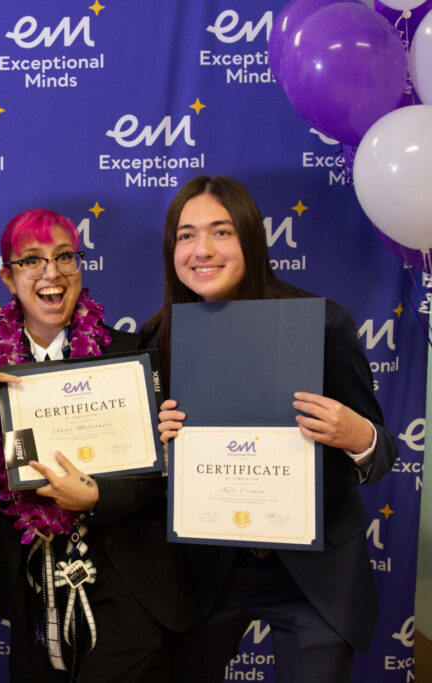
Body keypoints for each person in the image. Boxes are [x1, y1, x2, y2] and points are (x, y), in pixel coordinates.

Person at [141, 175, 398, 682]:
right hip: (208, 573)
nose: (202, 250)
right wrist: (158, 445)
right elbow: (148, 478)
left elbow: (384, 451)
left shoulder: (323, 324)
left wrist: (358, 436)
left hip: (312, 576)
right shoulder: (158, 337)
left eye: (222, 231)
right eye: (186, 235)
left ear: (251, 240)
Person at [0, 207, 199, 682]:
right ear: (7, 275)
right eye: (31, 260)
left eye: (65, 256)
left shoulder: (128, 355)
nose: (51, 273)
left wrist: (96, 496)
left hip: (127, 579)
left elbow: (158, 473)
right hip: (33, 585)